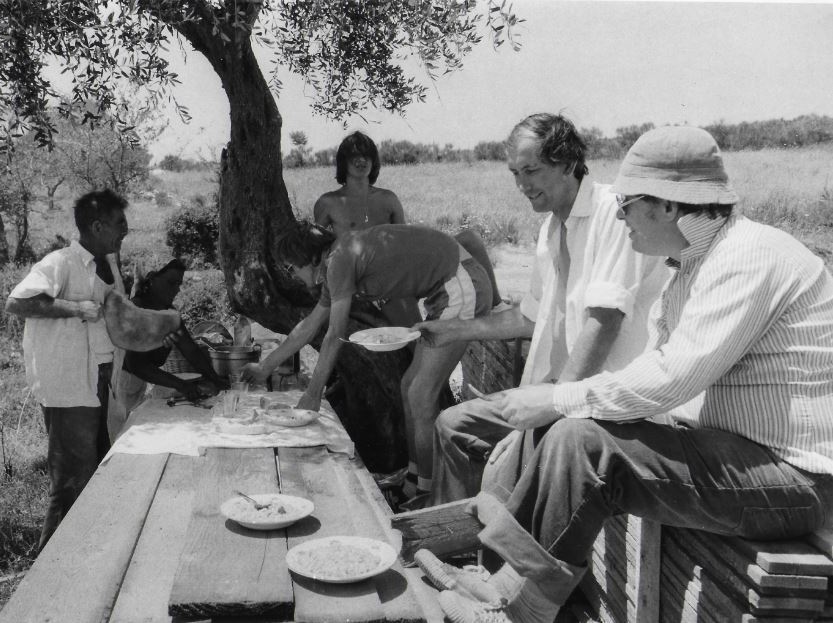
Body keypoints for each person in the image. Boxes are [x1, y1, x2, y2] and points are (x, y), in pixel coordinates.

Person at [416, 126, 833, 623]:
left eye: (628, 203)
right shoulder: (697, 263)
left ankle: (518, 610)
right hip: (740, 453)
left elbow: (670, 379)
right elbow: (655, 374)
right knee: (568, 429)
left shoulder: (747, 258)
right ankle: (504, 582)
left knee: (577, 438)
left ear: (669, 205)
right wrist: (554, 406)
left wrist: (555, 400)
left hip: (794, 477)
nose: (618, 213)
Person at [415, 113, 669, 506]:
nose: (522, 185)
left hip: (600, 399)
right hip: (556, 389)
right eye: (515, 172)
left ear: (567, 163)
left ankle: (487, 537)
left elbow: (604, 324)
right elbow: (529, 318)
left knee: (504, 453)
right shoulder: (551, 227)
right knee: (452, 425)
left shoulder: (613, 215)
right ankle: (454, 532)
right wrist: (452, 331)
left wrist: (547, 409)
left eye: (531, 170)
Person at [241, 221, 493, 496]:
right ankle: (414, 482)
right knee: (409, 387)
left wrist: (314, 393)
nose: (293, 275)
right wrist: (265, 367)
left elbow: (334, 334)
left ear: (308, 258)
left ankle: (430, 493)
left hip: (460, 285)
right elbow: (309, 325)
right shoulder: (337, 262)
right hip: (448, 289)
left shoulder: (339, 261)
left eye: (291, 267)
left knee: (421, 394)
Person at [5, 189, 129, 551]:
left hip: (102, 380)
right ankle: (48, 569)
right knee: (72, 480)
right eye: (120, 223)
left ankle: (84, 557)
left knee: (97, 472)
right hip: (71, 385)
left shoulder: (109, 264)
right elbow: (16, 302)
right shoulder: (60, 262)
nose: (126, 230)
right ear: (97, 225)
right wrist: (74, 309)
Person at [315, 131, 504, 328]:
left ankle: (498, 307)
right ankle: (421, 345)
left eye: (367, 155)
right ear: (343, 161)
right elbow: (316, 251)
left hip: (402, 270)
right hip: (366, 281)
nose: (361, 161)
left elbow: (404, 241)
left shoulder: (388, 198)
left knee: (470, 239)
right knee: (416, 337)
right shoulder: (329, 203)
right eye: (354, 156)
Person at [112, 258, 226, 434]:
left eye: (178, 284)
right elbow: (135, 364)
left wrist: (216, 380)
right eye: (171, 283)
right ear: (151, 279)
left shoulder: (168, 314)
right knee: (119, 436)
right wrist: (181, 385)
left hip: (136, 385)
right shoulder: (136, 311)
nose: (176, 289)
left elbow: (191, 351)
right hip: (116, 386)